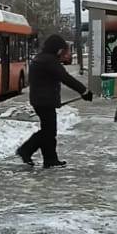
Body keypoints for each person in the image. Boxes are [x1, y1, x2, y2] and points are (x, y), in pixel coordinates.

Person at [16, 34, 93, 168]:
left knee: (48, 131)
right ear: (57, 49)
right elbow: (66, 78)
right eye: (62, 50)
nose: (63, 53)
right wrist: (84, 91)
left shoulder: (40, 58)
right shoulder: (50, 61)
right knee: (49, 132)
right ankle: (26, 150)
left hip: (39, 100)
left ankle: (50, 159)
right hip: (45, 101)